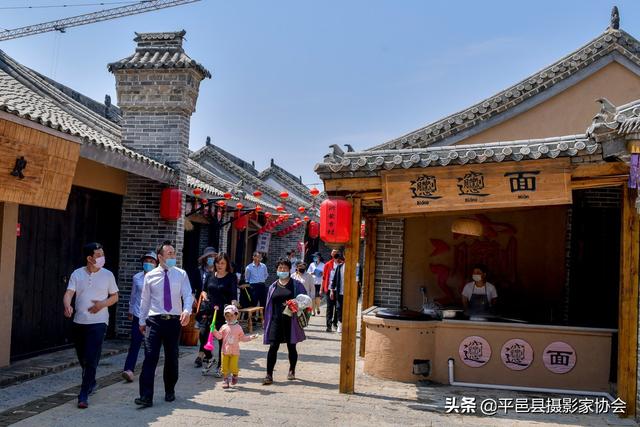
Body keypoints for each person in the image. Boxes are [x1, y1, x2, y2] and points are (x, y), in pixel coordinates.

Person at [135, 241, 193, 408]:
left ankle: (170, 389)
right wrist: (141, 320)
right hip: (154, 321)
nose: (172, 256)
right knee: (150, 357)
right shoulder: (150, 276)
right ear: (159, 257)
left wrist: (187, 310)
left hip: (174, 321)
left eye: (174, 253)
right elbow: (144, 300)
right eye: (169, 254)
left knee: (171, 357)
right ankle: (146, 396)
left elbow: (188, 295)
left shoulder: (181, 274)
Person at [63, 242, 119, 409]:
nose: (102, 258)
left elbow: (114, 297)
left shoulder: (108, 275)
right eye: (99, 255)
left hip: (99, 322)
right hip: (79, 321)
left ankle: (83, 394)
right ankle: (91, 381)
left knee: (91, 358)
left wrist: (102, 304)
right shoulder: (77, 274)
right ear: (89, 258)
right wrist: (67, 305)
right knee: (83, 357)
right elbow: (69, 293)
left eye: (103, 254)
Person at [262, 258, 307, 385]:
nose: (282, 270)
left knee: (291, 346)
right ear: (277, 270)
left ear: (289, 270)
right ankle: (269, 374)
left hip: (291, 321)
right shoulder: (272, 286)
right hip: (275, 320)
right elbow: (268, 305)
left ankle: (292, 369)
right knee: (273, 347)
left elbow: (305, 300)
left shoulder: (296, 285)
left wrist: (295, 303)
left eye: (285, 268)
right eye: (280, 268)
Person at [200, 253, 238, 377]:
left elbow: (233, 296)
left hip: (224, 313)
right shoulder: (210, 275)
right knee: (203, 335)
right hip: (210, 311)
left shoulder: (231, 277)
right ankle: (210, 358)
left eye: (222, 263)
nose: (219, 265)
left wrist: (233, 310)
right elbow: (204, 290)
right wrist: (205, 297)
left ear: (227, 264)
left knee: (222, 340)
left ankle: (221, 366)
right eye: (217, 262)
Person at [122, 251, 158, 383]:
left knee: (150, 345)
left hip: (152, 316)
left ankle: (150, 368)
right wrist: (130, 310)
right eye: (146, 261)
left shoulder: (158, 278)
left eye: (151, 261)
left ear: (156, 263)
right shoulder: (137, 277)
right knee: (135, 343)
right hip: (138, 315)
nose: (148, 263)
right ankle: (129, 369)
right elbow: (133, 295)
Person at [212, 304, 258, 389]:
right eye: (227, 316)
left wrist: (251, 337)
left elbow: (242, 338)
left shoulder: (238, 328)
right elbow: (219, 336)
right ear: (224, 316)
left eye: (231, 315)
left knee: (233, 366)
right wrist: (214, 330)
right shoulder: (224, 327)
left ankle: (235, 375)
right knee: (224, 367)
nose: (229, 317)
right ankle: (225, 380)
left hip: (235, 351)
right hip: (225, 351)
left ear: (236, 315)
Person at [192, 247, 218, 368]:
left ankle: (201, 355)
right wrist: (193, 297)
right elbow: (193, 286)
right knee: (203, 331)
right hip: (201, 304)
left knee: (207, 330)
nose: (211, 259)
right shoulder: (199, 271)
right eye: (209, 257)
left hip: (214, 305)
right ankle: (206, 354)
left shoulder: (218, 272)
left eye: (213, 257)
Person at [329, 252, 346, 334]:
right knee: (339, 308)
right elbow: (334, 280)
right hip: (340, 292)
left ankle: (347, 325)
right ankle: (340, 324)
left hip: (350, 294)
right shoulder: (339, 267)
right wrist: (332, 290)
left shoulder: (355, 267)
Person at [322, 249, 339, 332]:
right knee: (329, 308)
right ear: (331, 254)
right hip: (329, 289)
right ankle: (328, 326)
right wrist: (321, 289)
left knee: (337, 307)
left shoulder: (342, 264)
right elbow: (324, 277)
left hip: (338, 290)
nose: (335, 254)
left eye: (336, 253)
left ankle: (335, 323)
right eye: (333, 253)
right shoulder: (328, 264)